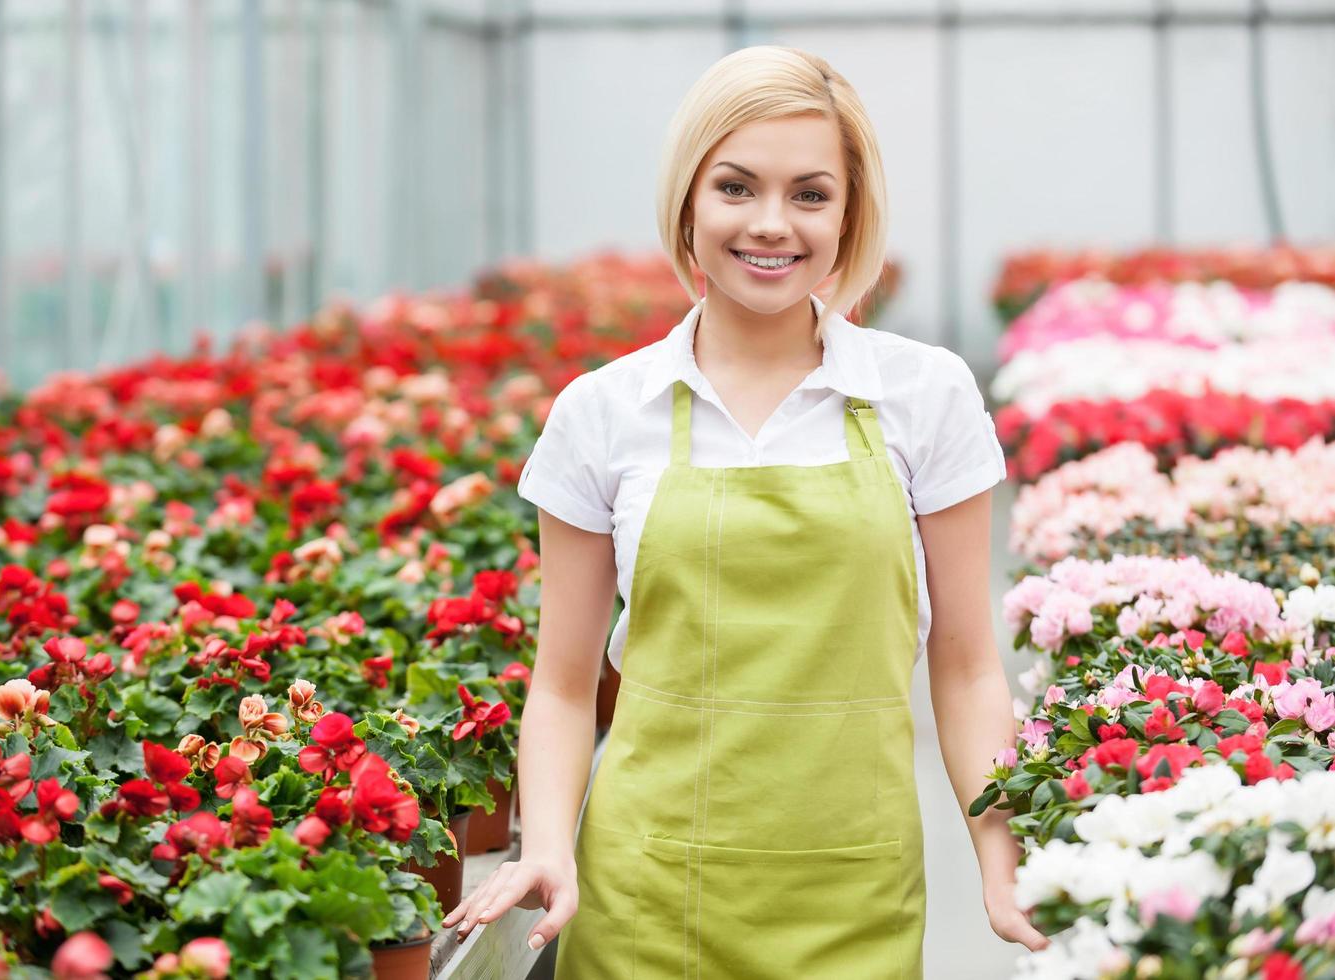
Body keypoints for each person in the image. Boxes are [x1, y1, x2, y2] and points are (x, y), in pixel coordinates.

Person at [442, 44, 1051, 977]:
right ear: (687, 198)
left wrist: (998, 862)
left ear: (850, 216)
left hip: (853, 894)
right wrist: (547, 848)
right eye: (736, 187)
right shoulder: (606, 411)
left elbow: (968, 667)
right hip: (643, 896)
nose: (772, 224)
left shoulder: (922, 395)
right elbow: (564, 684)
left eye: (810, 194)